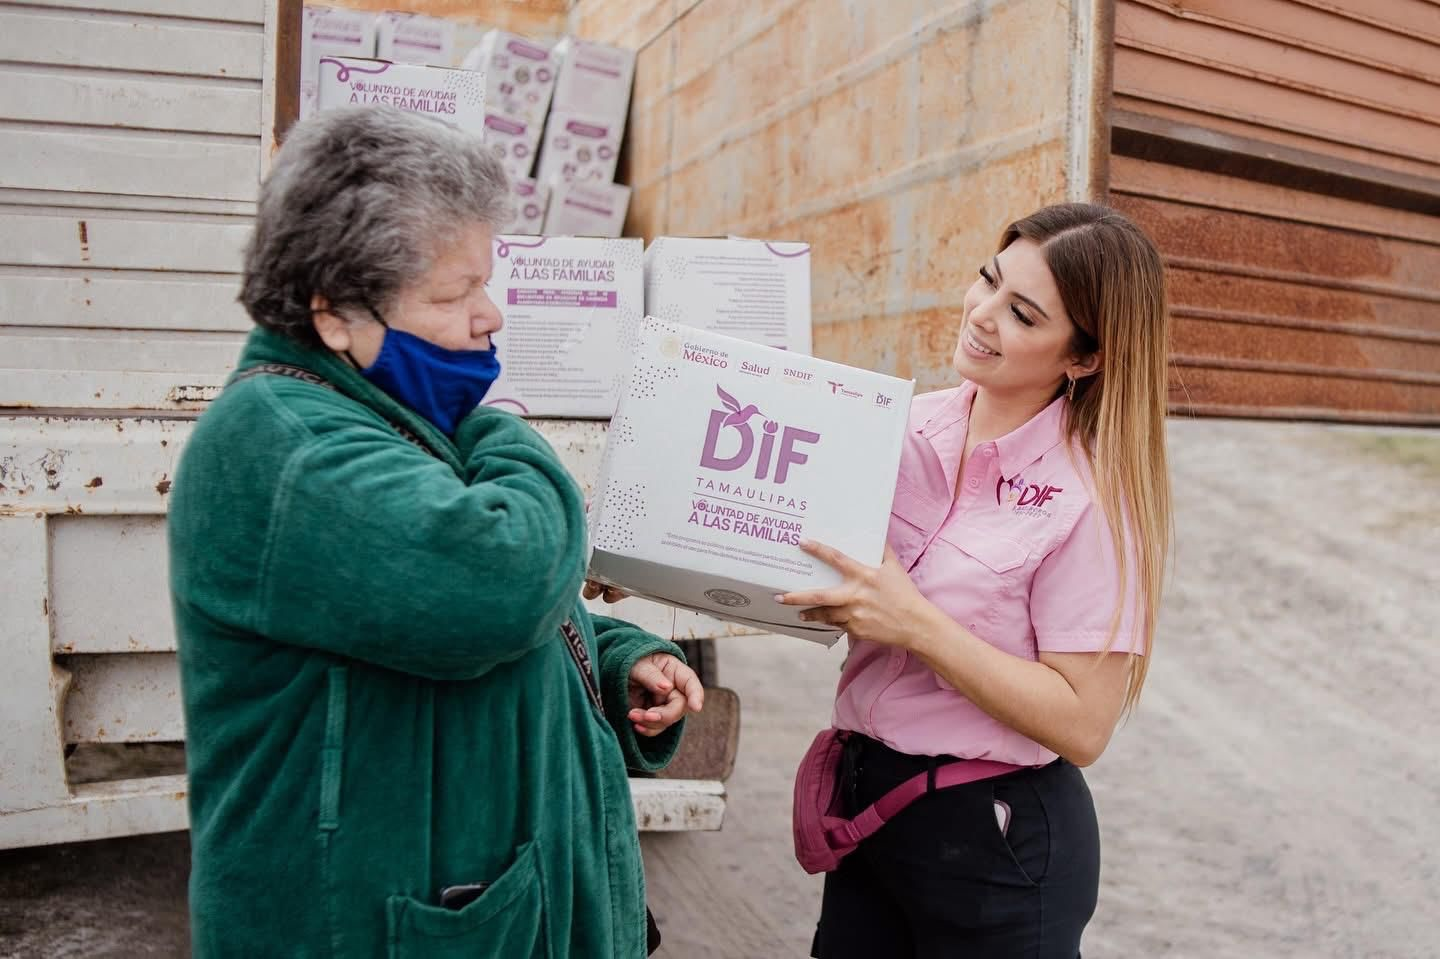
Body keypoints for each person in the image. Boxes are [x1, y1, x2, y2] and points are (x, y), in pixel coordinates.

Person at [168, 106, 703, 958]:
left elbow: (430, 612)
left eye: (483, 281)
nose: (489, 316)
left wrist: (612, 654)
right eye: (456, 294)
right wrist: (503, 429)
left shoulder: (378, 404)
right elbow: (501, 582)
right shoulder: (290, 447)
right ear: (333, 311)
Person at [779, 203, 1172, 958]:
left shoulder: (1091, 500)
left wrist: (914, 622)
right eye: (987, 281)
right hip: (873, 809)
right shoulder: (898, 427)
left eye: (1022, 314)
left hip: (996, 847)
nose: (982, 315)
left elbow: (1083, 725)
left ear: (1083, 358)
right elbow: (804, 556)